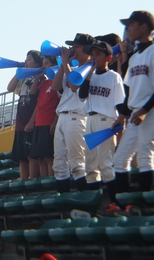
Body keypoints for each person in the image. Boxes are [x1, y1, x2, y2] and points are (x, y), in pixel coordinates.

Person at [110, 11, 154, 204]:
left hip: (151, 112)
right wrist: (123, 115)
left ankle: (144, 206)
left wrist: (143, 110)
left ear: (144, 27)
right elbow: (130, 90)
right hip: (136, 113)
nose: (128, 29)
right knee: (120, 159)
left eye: (132, 24)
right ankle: (124, 204)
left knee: (145, 156)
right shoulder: (135, 56)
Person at [79, 41, 125, 199]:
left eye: (98, 54)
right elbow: (82, 95)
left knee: (105, 164)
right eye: (92, 54)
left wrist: (121, 120)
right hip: (89, 120)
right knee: (90, 166)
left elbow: (120, 102)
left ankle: (115, 201)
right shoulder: (88, 75)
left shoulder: (113, 76)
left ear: (108, 57)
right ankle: (94, 204)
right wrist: (88, 76)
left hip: (106, 120)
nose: (94, 57)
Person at [51, 33, 94, 193]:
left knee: (77, 162)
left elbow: (76, 86)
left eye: (76, 46)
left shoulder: (91, 69)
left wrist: (66, 65)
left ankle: (87, 198)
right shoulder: (71, 68)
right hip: (63, 116)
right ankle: (64, 201)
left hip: (78, 117)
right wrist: (63, 65)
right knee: (59, 164)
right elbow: (56, 87)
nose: (72, 49)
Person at [7, 50, 43, 179]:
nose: (26, 61)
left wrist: (31, 121)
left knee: (31, 154)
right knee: (21, 156)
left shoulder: (40, 78)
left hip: (30, 120)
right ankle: (23, 181)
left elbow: (39, 102)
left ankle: (33, 179)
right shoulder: (24, 79)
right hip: (20, 120)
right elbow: (10, 88)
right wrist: (19, 72)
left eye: (29, 59)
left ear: (37, 62)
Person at [29, 55, 59, 177]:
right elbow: (32, 93)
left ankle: (51, 180)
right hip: (39, 122)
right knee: (40, 157)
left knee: (48, 156)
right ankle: (44, 181)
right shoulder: (45, 82)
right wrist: (37, 78)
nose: (44, 66)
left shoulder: (57, 82)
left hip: (49, 122)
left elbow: (59, 102)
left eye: (46, 63)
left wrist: (55, 122)